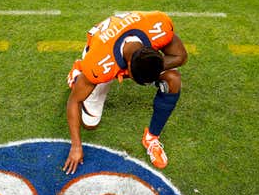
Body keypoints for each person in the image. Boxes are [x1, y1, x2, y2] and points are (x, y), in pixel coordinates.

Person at [62, 11, 188, 174]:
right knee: (89, 124)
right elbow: (73, 101)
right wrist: (76, 146)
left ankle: (151, 138)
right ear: (127, 68)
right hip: (100, 51)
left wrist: (155, 66)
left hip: (132, 34)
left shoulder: (158, 28)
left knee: (173, 80)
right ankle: (79, 71)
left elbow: (180, 56)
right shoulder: (100, 65)